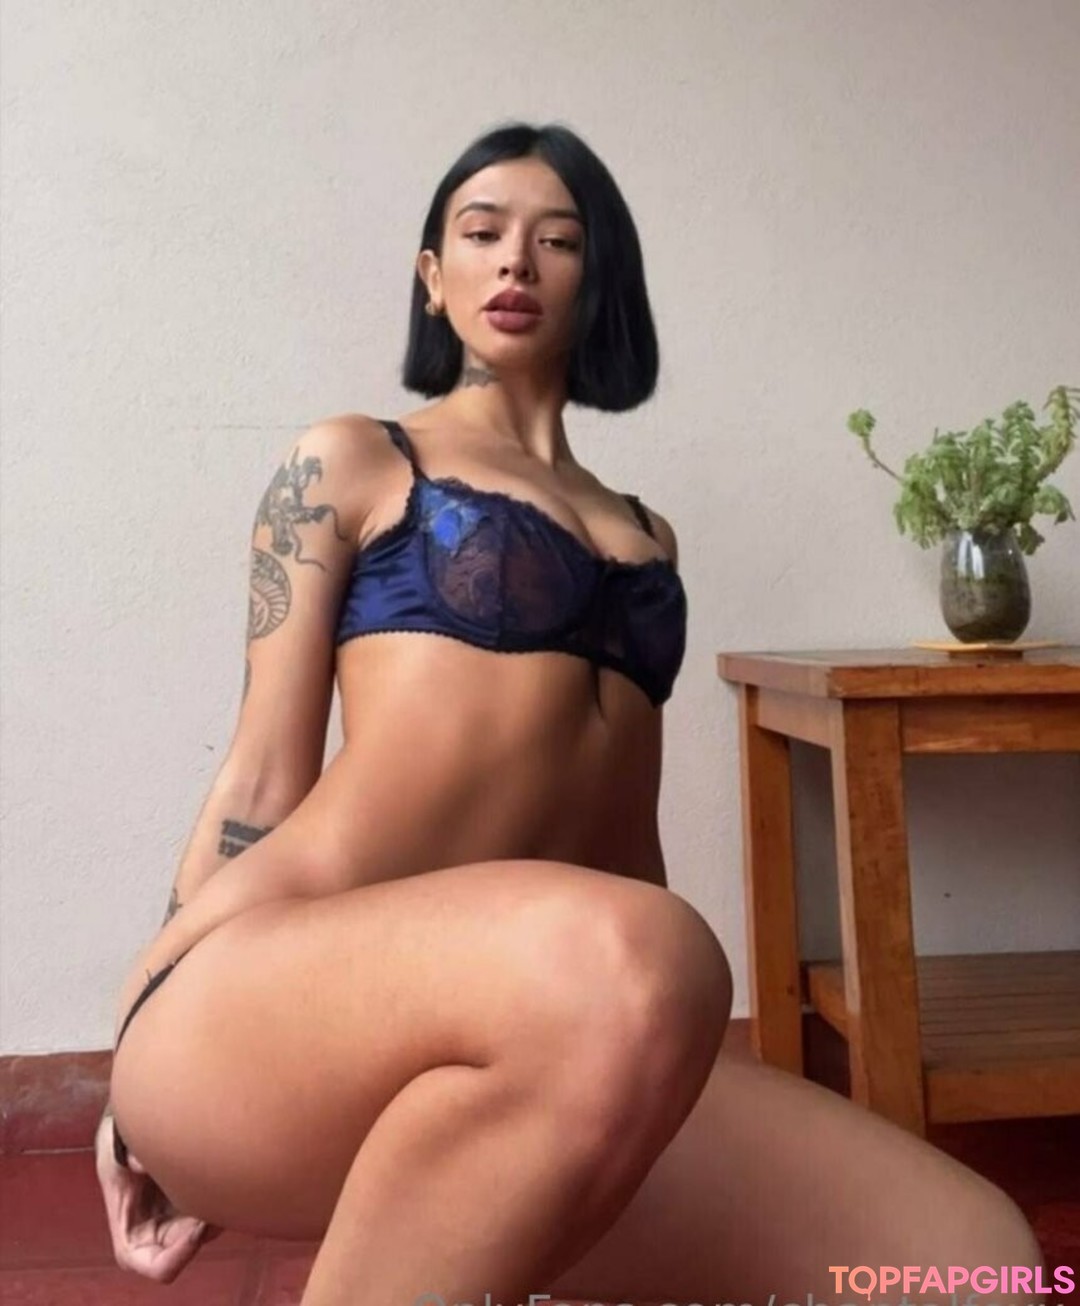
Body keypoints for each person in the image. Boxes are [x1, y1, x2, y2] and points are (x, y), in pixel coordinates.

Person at [96, 122, 1047, 1306]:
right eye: (481, 234)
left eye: (556, 240)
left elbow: (619, 846)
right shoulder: (354, 461)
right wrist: (138, 1052)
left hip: (568, 1004)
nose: (515, 261)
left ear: (599, 281)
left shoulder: (650, 538)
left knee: (975, 1259)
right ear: (432, 276)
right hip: (271, 991)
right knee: (641, 954)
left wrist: (656, 1061)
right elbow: (257, 780)